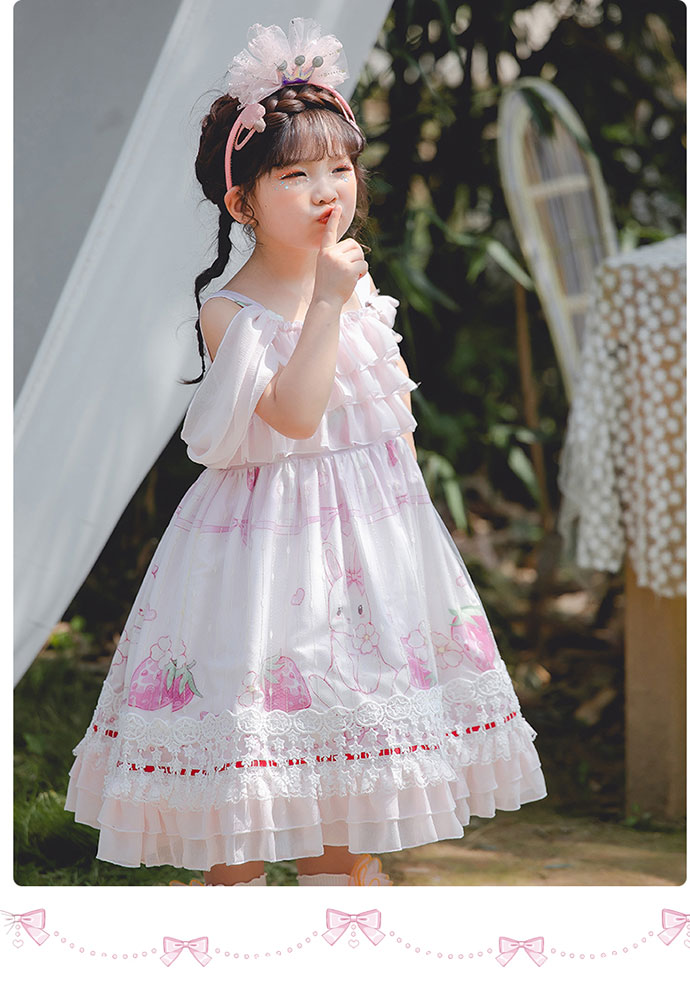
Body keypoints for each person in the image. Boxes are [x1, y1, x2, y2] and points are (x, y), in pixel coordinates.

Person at [64, 17, 547, 887]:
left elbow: (390, 422)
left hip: (369, 547)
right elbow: (293, 416)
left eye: (339, 168)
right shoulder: (232, 311)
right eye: (295, 175)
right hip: (261, 554)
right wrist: (325, 302)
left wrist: (407, 539)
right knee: (248, 766)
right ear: (242, 202)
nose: (327, 190)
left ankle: (337, 907)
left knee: (350, 775)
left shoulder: (356, 288)